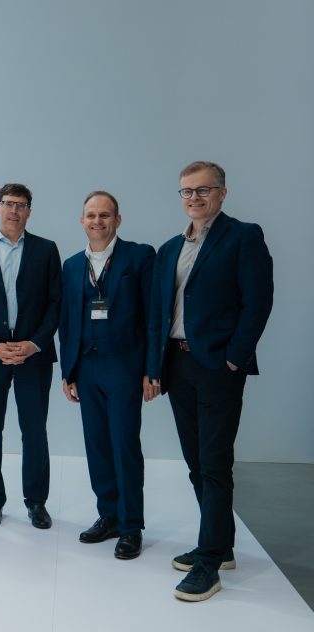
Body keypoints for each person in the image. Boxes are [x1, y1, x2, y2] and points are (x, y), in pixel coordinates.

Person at [148, 161, 273, 602]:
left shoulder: (243, 237)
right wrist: (154, 367)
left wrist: (234, 359)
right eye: (187, 191)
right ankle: (221, 545)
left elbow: (257, 302)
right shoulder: (169, 249)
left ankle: (208, 564)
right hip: (177, 365)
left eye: (203, 190)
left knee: (214, 462)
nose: (194, 198)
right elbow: (158, 314)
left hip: (217, 367)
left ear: (222, 192)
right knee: (195, 462)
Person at [59, 191, 156, 560]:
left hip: (124, 367)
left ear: (117, 219)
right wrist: (68, 370)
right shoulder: (72, 265)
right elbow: (67, 321)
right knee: (97, 445)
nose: (97, 221)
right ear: (81, 220)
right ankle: (109, 515)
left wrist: (151, 370)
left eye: (104, 215)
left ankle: (131, 526)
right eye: (91, 215)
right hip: (86, 367)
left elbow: (152, 316)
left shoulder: (139, 256)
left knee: (124, 444)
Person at [0, 183, 61, 530]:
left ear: (29, 211)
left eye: (21, 205)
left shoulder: (46, 250)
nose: (14, 210)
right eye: (8, 204)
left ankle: (36, 502)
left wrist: (34, 343)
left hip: (33, 357)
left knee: (34, 431)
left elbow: (56, 304)